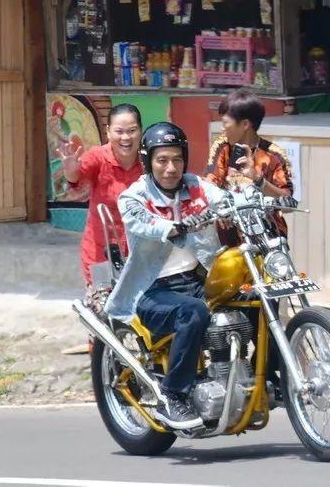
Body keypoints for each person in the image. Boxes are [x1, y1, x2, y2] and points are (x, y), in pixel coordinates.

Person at [105, 122, 226, 430]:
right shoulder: (134, 196)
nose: (171, 168)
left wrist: (254, 200)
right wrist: (170, 227)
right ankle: (172, 396)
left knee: (251, 297)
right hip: (152, 290)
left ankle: (272, 376)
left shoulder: (196, 185)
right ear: (148, 162)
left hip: (198, 279)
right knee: (193, 311)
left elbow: (224, 199)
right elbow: (140, 222)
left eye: (177, 159)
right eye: (162, 160)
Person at [58, 103, 143, 290]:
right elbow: (76, 179)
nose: (126, 137)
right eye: (119, 131)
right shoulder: (98, 156)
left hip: (140, 253)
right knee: (103, 305)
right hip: (100, 251)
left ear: (140, 131)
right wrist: (70, 170)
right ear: (108, 132)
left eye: (132, 131)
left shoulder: (149, 161)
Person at [206, 89, 293, 199]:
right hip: (229, 215)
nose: (222, 128)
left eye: (225, 123)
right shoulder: (222, 146)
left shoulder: (274, 155)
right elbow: (211, 181)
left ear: (245, 124)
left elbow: (288, 202)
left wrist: (258, 179)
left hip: (264, 216)